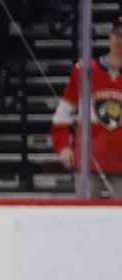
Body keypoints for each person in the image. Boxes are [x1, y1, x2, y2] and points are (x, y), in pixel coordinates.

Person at [51, 15, 122, 198]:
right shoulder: (83, 71)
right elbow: (63, 114)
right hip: (89, 163)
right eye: (116, 34)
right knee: (86, 219)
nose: (119, 40)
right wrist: (64, 146)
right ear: (110, 37)